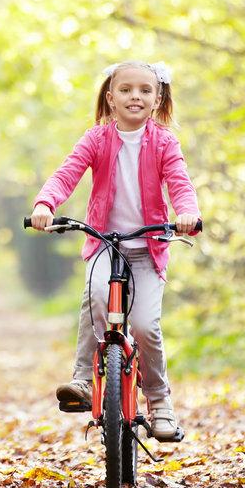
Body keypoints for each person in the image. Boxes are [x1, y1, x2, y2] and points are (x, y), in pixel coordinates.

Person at [28, 61, 200, 440]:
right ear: (110, 97)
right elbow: (67, 173)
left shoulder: (165, 142)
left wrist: (187, 212)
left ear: (157, 99)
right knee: (96, 297)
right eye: (125, 90)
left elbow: (180, 182)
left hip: (148, 248)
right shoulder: (97, 139)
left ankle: (159, 402)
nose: (134, 96)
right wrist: (45, 204)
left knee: (144, 326)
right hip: (106, 243)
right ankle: (82, 380)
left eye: (143, 90)